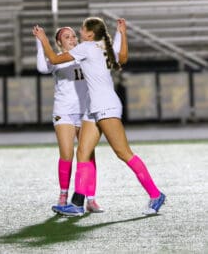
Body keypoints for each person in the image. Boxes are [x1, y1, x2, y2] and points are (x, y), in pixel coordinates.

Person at [32, 17, 166, 217]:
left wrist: (42, 39)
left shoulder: (86, 47)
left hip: (105, 106)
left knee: (123, 153)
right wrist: (123, 32)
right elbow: (123, 58)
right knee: (83, 154)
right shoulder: (103, 46)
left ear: (89, 34)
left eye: (82, 29)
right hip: (92, 109)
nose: (79, 32)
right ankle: (77, 204)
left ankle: (156, 195)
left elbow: (54, 58)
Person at [36, 25, 121, 213]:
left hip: (86, 113)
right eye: (67, 37)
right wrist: (40, 40)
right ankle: (64, 195)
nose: (72, 39)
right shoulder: (57, 58)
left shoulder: (86, 53)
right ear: (59, 42)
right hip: (64, 112)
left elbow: (113, 53)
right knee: (67, 154)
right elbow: (42, 67)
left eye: (74, 35)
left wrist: (119, 33)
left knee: (88, 156)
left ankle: (90, 199)